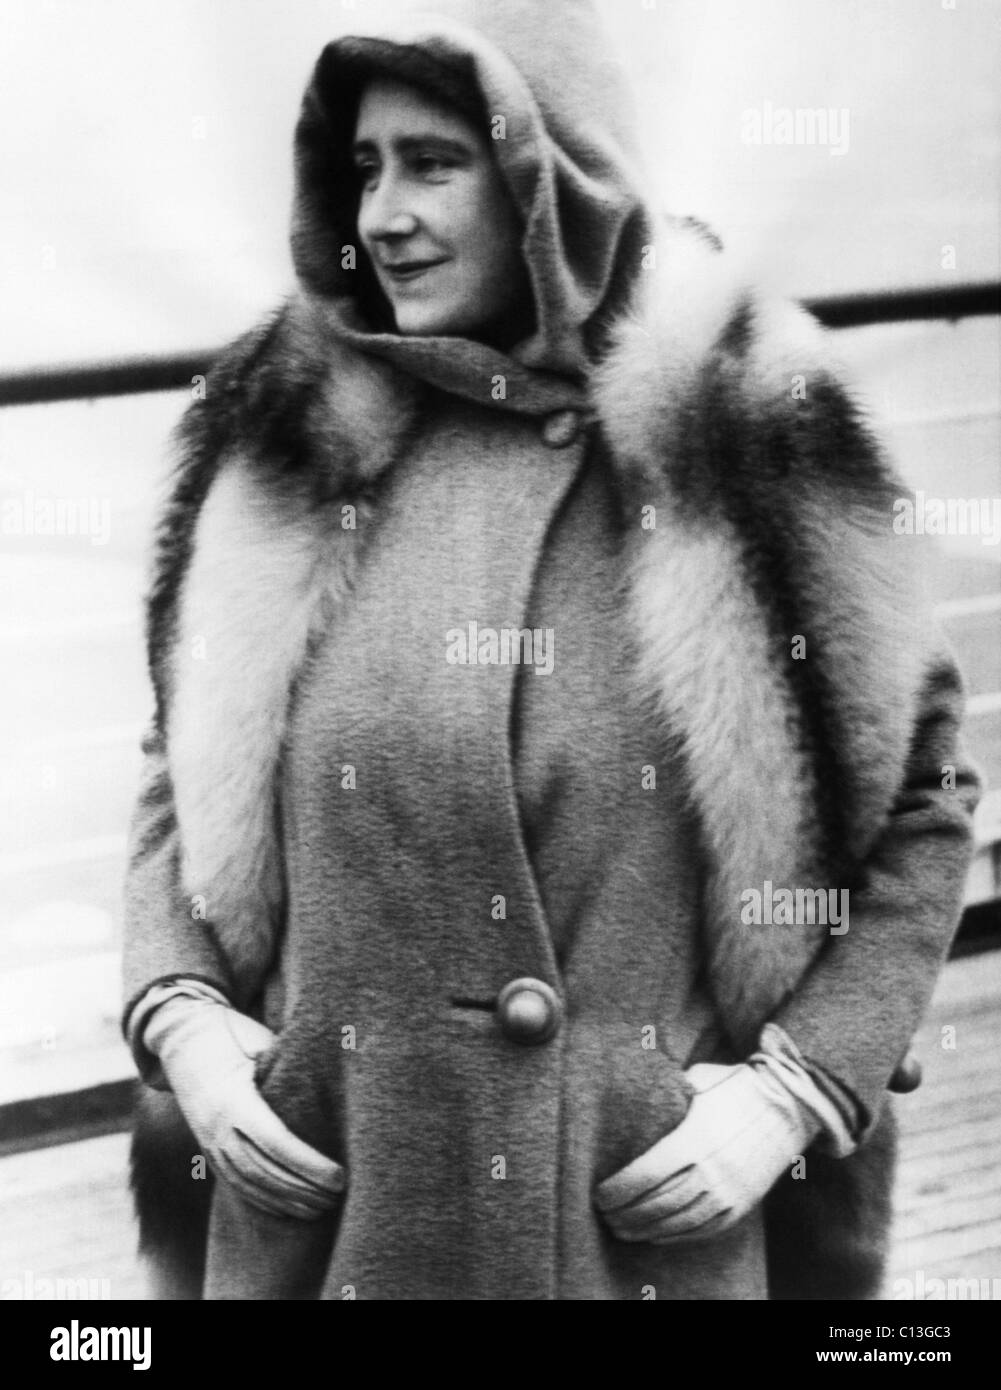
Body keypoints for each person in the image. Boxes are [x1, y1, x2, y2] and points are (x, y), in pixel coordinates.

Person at [122, 0, 980, 1301]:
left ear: (557, 171)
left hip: (636, 1225)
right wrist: (181, 1017)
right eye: (362, 169)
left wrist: (793, 1092)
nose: (381, 217)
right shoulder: (277, 434)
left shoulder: (747, 429)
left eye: (433, 163)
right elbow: (173, 760)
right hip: (326, 1214)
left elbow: (921, 808)